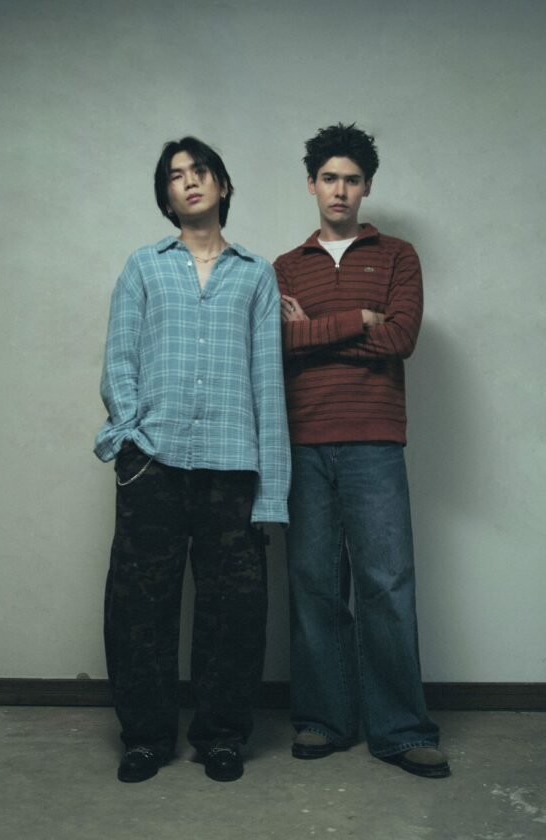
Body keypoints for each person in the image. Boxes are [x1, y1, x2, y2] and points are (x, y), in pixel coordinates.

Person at [95, 136, 290, 783]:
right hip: (154, 463)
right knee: (139, 607)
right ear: (166, 196)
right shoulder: (143, 267)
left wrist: (272, 490)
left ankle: (222, 737)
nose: (189, 181)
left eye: (200, 170)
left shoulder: (256, 274)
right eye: (175, 176)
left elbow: (268, 384)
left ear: (223, 185)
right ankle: (146, 738)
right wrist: (131, 440)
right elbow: (119, 360)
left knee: (234, 611)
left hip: (232, 467)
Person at [273, 122, 450, 779]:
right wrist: (356, 322)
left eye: (352, 179)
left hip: (374, 439)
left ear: (367, 186)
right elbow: (277, 344)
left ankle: (401, 730)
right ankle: (324, 720)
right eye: (329, 178)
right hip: (305, 441)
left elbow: (401, 339)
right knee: (314, 585)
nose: (340, 190)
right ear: (311, 185)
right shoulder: (285, 266)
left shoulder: (398, 256)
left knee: (387, 585)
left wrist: (313, 331)